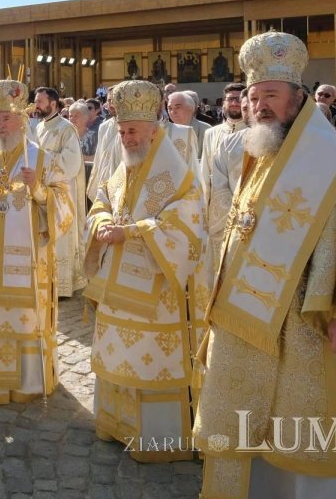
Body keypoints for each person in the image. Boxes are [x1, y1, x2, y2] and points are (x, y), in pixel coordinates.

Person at [194, 31, 336, 498]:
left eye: (270, 95)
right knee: (254, 411)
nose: (259, 106)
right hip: (251, 313)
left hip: (310, 318)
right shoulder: (261, 153)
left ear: (299, 98)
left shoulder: (334, 163)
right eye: (253, 98)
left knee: (303, 415)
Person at [84, 80, 204, 459]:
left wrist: (133, 232)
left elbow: (186, 222)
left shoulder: (178, 174)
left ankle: (157, 438)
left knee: (148, 358)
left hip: (157, 292)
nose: (127, 138)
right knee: (117, 354)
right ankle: (116, 425)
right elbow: (101, 200)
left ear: (154, 130)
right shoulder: (124, 169)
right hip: (115, 285)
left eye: (133, 131)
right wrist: (102, 222)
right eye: (122, 132)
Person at [0, 78, 72, 401]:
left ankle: (30, 383)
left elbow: (65, 203)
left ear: (21, 121)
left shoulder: (41, 159)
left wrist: (39, 189)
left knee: (25, 317)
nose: (0, 124)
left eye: (6, 118)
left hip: (29, 262)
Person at [32, 86, 86, 298]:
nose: (36, 105)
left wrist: (42, 160)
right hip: (41, 191)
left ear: (53, 104)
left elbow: (71, 163)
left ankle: (63, 285)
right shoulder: (39, 127)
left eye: (40, 101)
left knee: (61, 236)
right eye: (36, 101)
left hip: (61, 193)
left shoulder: (66, 129)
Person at [166, 90, 210, 159]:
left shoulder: (206, 130)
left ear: (191, 108)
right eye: (170, 108)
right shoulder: (165, 131)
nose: (173, 112)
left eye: (178, 107)